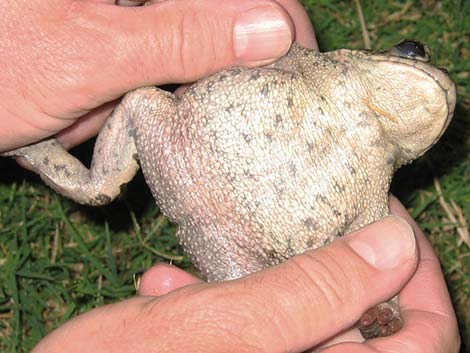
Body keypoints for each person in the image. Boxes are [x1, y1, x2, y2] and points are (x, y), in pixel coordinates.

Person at [1, 1, 460, 352]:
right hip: (179, 138)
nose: (432, 80)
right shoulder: (324, 63)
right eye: (415, 55)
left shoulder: (375, 188)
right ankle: (41, 153)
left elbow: (378, 268)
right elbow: (257, 25)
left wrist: (384, 309)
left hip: (242, 251)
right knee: (111, 159)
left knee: (268, 308)